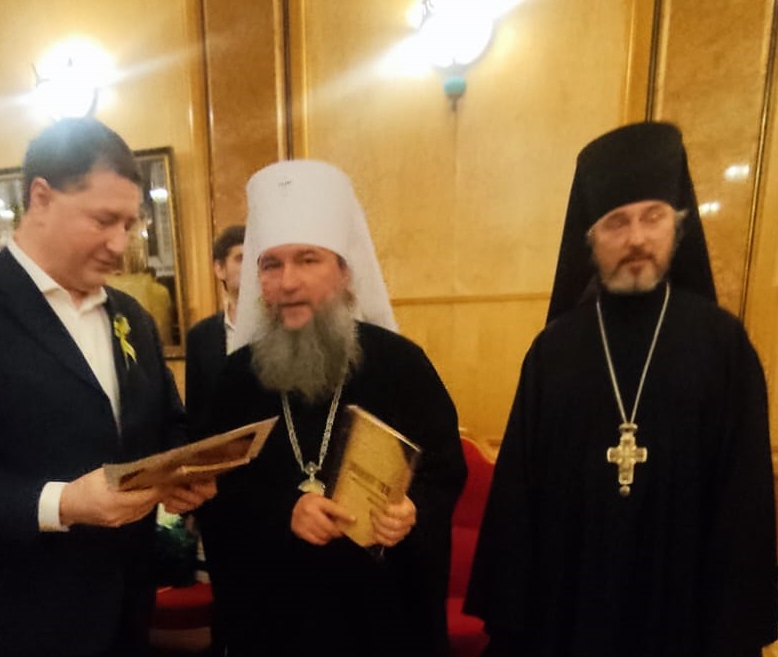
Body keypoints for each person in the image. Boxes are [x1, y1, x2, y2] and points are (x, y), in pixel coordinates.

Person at [0, 117, 216, 657]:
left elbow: (164, 423)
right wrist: (62, 503)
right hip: (17, 615)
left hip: (127, 606)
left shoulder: (131, 315)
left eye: (130, 224)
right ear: (41, 197)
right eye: (104, 220)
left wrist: (182, 474)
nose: (120, 244)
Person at [464, 121, 778, 657]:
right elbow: (519, 499)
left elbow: (743, 498)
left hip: (684, 607)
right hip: (572, 604)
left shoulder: (723, 345)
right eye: (616, 222)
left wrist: (733, 626)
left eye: (652, 217)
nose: (636, 239)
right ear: (590, 239)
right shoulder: (553, 352)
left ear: (677, 226)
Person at [195, 159, 467, 657]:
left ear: (343, 271)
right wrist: (284, 513)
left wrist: (413, 510)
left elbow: (444, 471)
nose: (288, 282)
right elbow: (217, 494)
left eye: (308, 260)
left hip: (378, 621)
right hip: (276, 624)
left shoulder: (401, 365)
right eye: (271, 265)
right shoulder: (235, 379)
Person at [185, 223, 246, 434]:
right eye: (240, 258)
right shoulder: (200, 337)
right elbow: (195, 415)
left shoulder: (280, 329)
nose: (251, 267)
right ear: (219, 268)